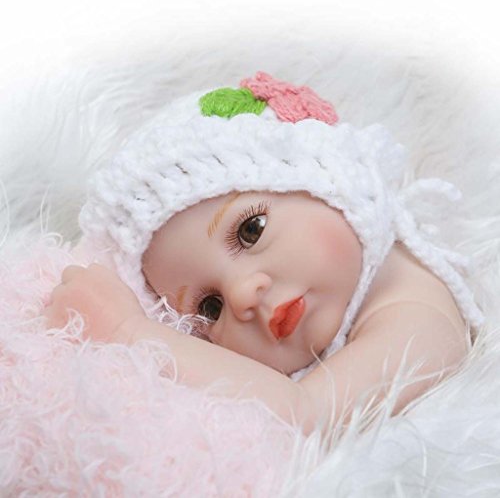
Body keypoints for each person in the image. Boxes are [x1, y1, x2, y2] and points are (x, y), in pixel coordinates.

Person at [43, 72, 484, 435]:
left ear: (329, 183)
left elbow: (302, 416)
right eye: (210, 307)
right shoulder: (346, 298)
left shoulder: (418, 316)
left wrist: (127, 331)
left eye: (250, 230)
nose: (241, 295)